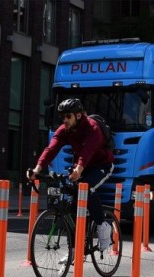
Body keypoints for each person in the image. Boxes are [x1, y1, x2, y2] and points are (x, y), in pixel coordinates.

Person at [27, 98, 115, 251]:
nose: (65, 120)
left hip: (102, 165)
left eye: (68, 116)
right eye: (63, 117)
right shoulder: (64, 130)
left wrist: (78, 169)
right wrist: (37, 169)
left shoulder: (92, 128)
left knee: (87, 188)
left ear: (79, 115)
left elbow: (88, 151)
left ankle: (102, 226)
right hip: (82, 166)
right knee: (71, 205)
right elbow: (51, 149)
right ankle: (73, 251)